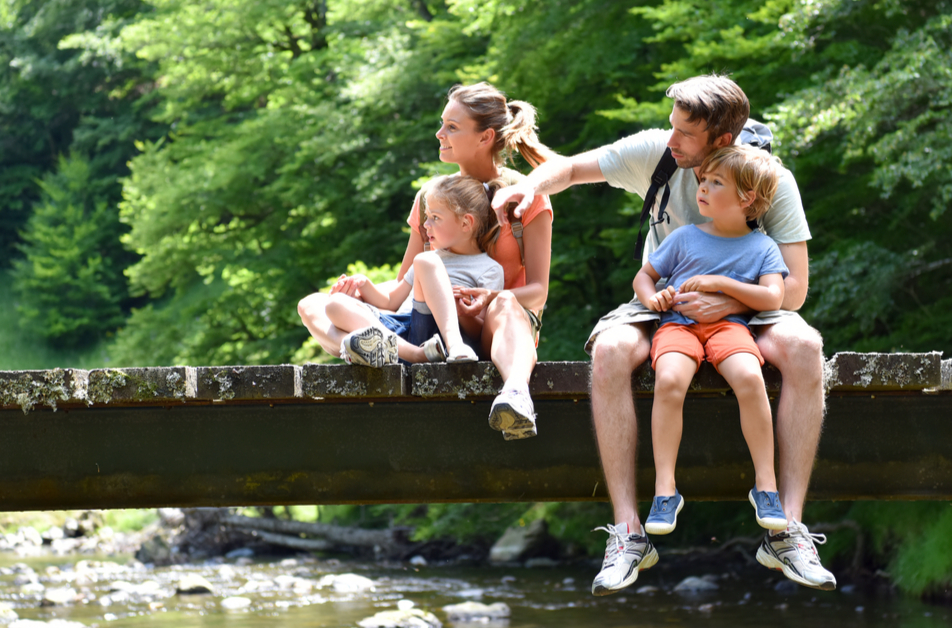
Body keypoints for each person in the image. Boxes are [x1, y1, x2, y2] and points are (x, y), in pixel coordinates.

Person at [491, 73, 834, 593]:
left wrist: (732, 296)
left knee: (806, 346)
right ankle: (629, 534)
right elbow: (568, 170)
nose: (670, 141)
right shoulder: (659, 152)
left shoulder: (768, 181)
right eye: (671, 127)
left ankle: (787, 531)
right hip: (662, 305)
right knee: (608, 349)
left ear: (722, 139)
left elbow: (796, 289)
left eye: (685, 134)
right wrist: (527, 187)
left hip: (751, 307)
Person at [298, 82, 556, 440]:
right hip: (427, 327)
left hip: (493, 326)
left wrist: (489, 298)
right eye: (442, 124)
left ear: (485, 137)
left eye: (452, 126)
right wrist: (362, 291)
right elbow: (407, 280)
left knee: (508, 301)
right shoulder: (430, 197)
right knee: (314, 304)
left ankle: (515, 393)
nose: (439, 134)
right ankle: (394, 351)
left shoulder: (527, 196)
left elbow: (538, 293)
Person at [634, 146, 789, 542]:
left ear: (746, 198)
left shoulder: (762, 247)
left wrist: (719, 283)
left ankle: (766, 486)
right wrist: (653, 298)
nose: (702, 188)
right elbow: (644, 277)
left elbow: (773, 297)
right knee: (669, 381)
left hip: (729, 328)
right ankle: (665, 490)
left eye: (715, 183)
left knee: (750, 380)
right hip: (678, 326)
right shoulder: (685, 237)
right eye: (703, 180)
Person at [324, 174, 505, 366]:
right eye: (427, 217)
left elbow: (481, 332)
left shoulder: (488, 269)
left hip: (442, 338)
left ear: (465, 223)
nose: (426, 225)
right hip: (406, 334)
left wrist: (462, 312)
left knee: (425, 260)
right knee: (334, 304)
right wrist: (364, 285)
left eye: (436, 218)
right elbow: (390, 302)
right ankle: (414, 354)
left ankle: (455, 345)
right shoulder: (431, 258)